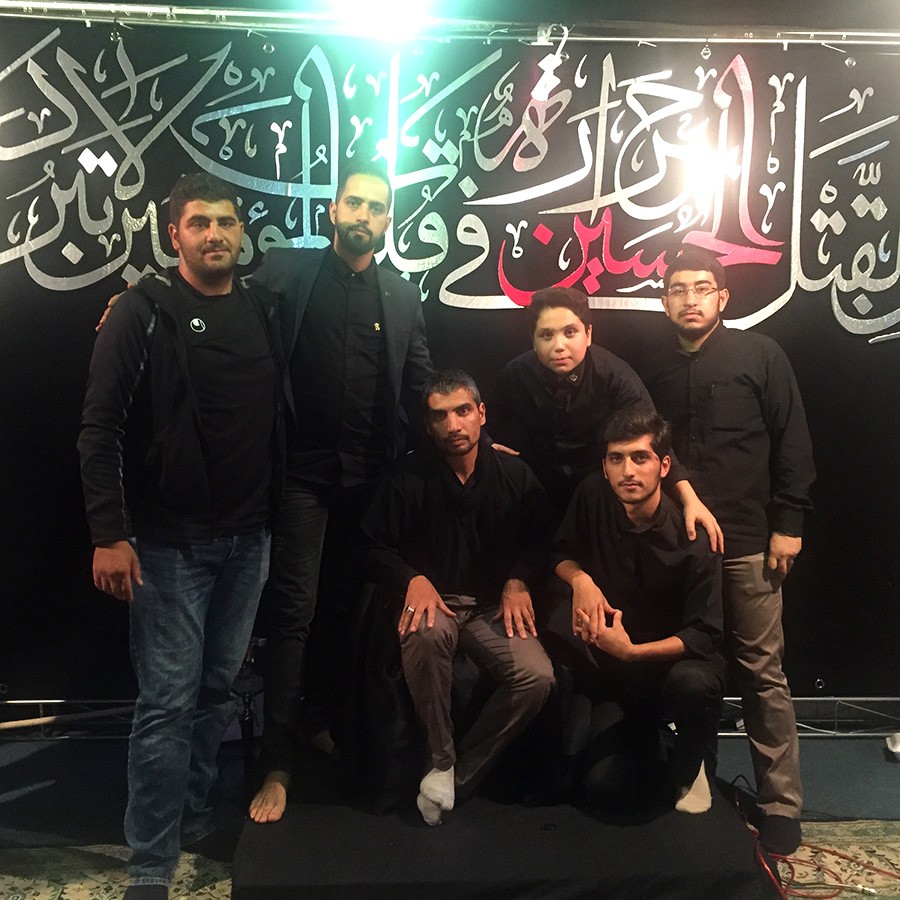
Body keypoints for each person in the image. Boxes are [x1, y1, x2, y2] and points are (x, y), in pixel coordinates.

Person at [78, 173, 283, 897]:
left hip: (249, 541)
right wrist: (111, 530)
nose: (216, 235)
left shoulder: (263, 307)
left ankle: (196, 814)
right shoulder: (142, 312)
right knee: (166, 703)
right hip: (166, 549)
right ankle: (151, 864)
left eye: (227, 222)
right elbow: (97, 430)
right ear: (175, 235)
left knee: (215, 690)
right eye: (200, 223)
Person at [247, 160, 433, 823]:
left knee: (354, 615)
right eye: (353, 202)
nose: (363, 214)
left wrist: (470, 433)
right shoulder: (284, 273)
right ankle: (278, 760)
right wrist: (139, 299)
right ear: (332, 211)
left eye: (375, 206)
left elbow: (422, 386)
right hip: (302, 479)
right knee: (293, 615)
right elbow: (215, 301)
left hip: (373, 484)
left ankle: (335, 727)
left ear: (387, 219)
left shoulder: (403, 296)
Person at [637, 246, 815, 853]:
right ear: (665, 301)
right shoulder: (653, 369)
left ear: (722, 297)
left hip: (745, 543)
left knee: (762, 673)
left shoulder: (761, 355)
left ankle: (780, 802)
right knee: (689, 670)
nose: (690, 299)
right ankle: (695, 778)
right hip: (676, 547)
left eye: (701, 288)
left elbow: (793, 441)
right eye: (679, 289)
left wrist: (787, 521)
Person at [361, 370, 555, 826]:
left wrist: (519, 579)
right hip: (437, 602)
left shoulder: (514, 473)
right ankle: (441, 758)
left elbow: (545, 539)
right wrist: (411, 578)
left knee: (537, 677)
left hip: (490, 606)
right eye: (440, 416)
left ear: (482, 413)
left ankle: (455, 775)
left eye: (463, 411)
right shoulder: (407, 476)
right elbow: (367, 545)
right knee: (425, 636)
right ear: (428, 426)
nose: (454, 425)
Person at [547, 408, 725, 813]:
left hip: (673, 667)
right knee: (603, 789)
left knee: (694, 683)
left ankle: (690, 762)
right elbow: (559, 553)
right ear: (605, 467)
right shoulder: (593, 494)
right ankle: (642, 739)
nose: (628, 470)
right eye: (616, 459)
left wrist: (631, 652)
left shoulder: (695, 533)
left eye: (640, 458)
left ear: (664, 466)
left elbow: (705, 634)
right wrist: (581, 581)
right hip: (618, 676)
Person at [492, 286, 723, 550]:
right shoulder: (515, 374)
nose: (559, 346)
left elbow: (653, 439)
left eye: (570, 332)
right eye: (546, 335)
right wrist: (490, 444)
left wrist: (689, 499)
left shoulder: (614, 375)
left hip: (599, 496)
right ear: (533, 341)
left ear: (588, 334)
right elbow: (489, 419)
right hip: (537, 491)